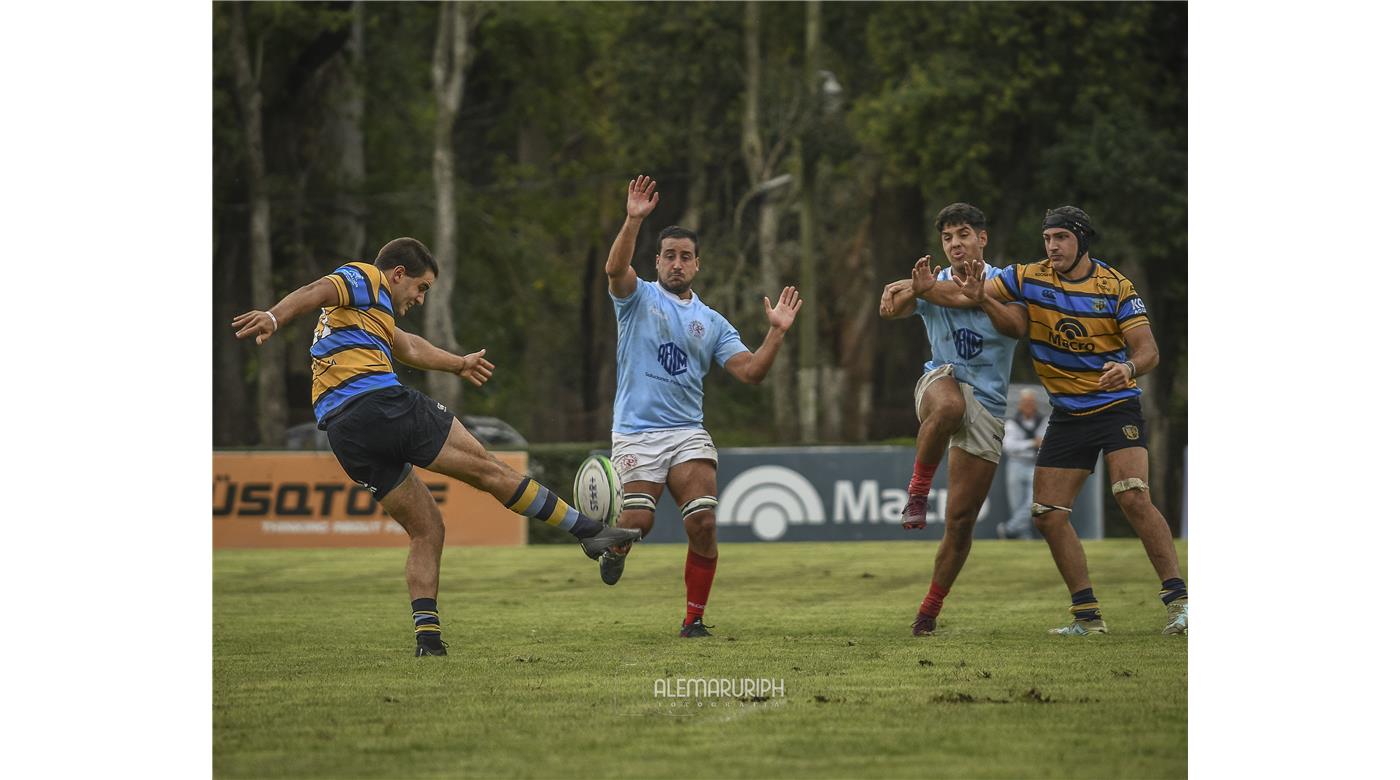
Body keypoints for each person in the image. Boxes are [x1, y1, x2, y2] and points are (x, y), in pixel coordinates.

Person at [232, 237, 641, 657]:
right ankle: (590, 531)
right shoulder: (366, 276)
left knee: (427, 528)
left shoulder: (368, 316)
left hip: (345, 434)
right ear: (397, 274)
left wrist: (458, 363)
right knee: (489, 470)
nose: (421, 299)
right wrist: (273, 316)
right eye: (421, 287)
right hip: (380, 406)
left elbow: (408, 346)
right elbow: (315, 289)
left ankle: (428, 641)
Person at [947, 206, 1187, 636]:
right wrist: (916, 288)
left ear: (1081, 240)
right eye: (1047, 238)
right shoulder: (1027, 277)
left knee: (1131, 495)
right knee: (1047, 514)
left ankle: (1181, 603)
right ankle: (1087, 617)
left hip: (1115, 406)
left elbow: (1148, 350)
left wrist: (1128, 369)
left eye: (1061, 237)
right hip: (1068, 413)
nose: (1052, 246)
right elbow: (971, 292)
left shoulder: (1116, 287)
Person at [599, 175, 802, 637]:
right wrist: (632, 219)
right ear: (657, 261)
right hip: (635, 431)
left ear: (697, 265)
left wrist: (776, 332)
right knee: (637, 523)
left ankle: (694, 620)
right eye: (669, 255)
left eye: (685, 257)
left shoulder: (710, 321)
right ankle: (617, 546)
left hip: (687, 431)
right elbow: (615, 270)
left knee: (704, 522)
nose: (676, 263)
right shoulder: (637, 298)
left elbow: (751, 372)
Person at [878, 202, 1027, 637]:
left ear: (982, 238)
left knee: (961, 523)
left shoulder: (1007, 282)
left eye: (963, 234)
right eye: (947, 238)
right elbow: (890, 310)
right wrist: (910, 289)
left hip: (990, 404)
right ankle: (918, 492)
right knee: (948, 407)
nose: (955, 243)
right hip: (940, 380)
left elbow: (1018, 327)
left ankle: (928, 611)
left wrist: (980, 298)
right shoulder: (932, 281)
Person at [998, 389, 1048, 540]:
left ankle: (1007, 529)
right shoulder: (1012, 423)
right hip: (1016, 464)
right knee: (1017, 504)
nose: (1028, 405)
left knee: (1032, 502)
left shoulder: (1043, 421)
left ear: (1035, 404)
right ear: (1020, 404)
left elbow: (1046, 442)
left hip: (1035, 464)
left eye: (1031, 402)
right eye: (1025, 402)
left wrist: (1035, 444)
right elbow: (1009, 446)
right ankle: (1024, 538)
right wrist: (1032, 443)